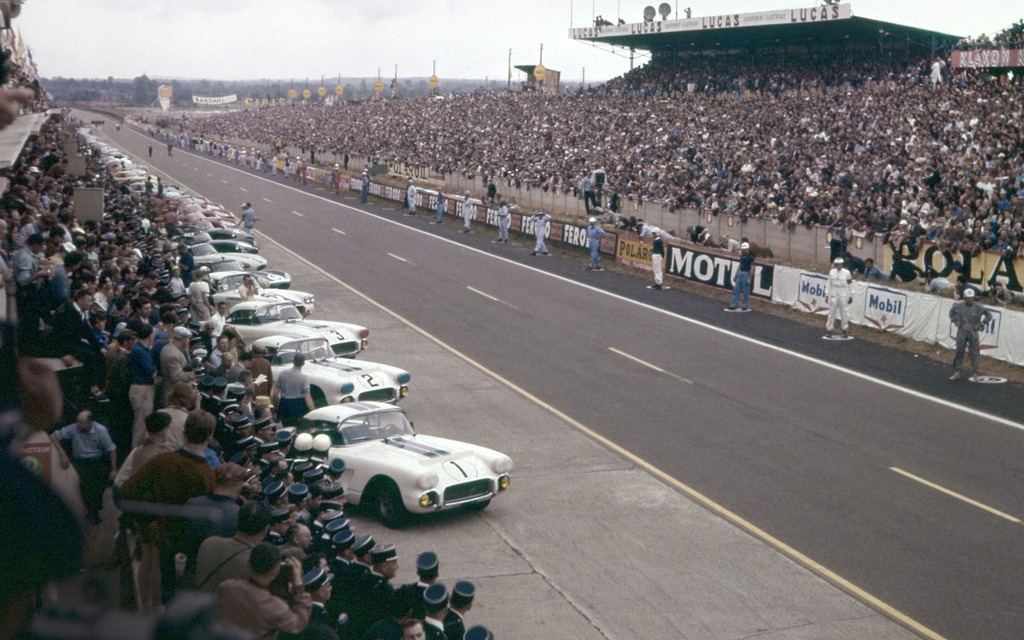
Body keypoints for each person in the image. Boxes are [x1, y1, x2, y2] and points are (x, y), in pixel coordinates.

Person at [216, 543, 312, 640]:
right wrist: (298, 585)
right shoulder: (275, 606)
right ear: (276, 570)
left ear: (248, 565)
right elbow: (297, 624)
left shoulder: (226, 587)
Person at [51, 410, 117, 524]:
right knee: (85, 487)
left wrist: (113, 468)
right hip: (80, 462)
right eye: (77, 421)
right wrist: (62, 454)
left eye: (81, 422)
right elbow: (53, 437)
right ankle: (89, 511)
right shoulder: (73, 428)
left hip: (96, 461)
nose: (78, 424)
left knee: (97, 488)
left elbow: (111, 450)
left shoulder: (101, 431)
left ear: (89, 422)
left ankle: (94, 510)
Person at [195, 501, 271, 592]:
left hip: (197, 604)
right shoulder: (256, 565)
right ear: (266, 530)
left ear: (236, 522)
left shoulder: (208, 543)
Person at [948, 289, 992, 381]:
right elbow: (951, 313)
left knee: (974, 352)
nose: (969, 300)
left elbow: (989, 315)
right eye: (967, 298)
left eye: (971, 298)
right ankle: (956, 372)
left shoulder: (979, 307)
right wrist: (955, 321)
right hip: (962, 331)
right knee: (959, 351)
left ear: (974, 298)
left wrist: (981, 324)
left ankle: (975, 373)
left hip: (973, 332)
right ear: (964, 298)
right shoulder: (959, 306)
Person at [272, 353, 314, 426]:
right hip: (297, 405)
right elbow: (307, 396)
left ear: (293, 361)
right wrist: (313, 411)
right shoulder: (304, 378)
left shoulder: (283, 373)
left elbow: (275, 392)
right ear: (303, 363)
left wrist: (276, 407)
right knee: (296, 426)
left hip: (284, 403)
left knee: (286, 426)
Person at [825, 257, 853, 336]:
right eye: (837, 264)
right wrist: (826, 294)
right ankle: (829, 330)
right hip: (834, 293)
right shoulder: (832, 272)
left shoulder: (847, 273)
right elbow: (828, 284)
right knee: (831, 313)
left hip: (843, 293)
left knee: (844, 313)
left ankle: (844, 329)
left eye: (840, 264)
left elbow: (850, 284)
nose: (838, 266)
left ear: (842, 264)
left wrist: (851, 295)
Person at [727, 242, 754, 310]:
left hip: (746, 273)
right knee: (736, 290)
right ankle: (733, 305)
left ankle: (745, 305)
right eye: (743, 249)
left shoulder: (751, 258)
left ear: (748, 249)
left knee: (746, 292)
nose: (743, 251)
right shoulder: (742, 257)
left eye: (745, 249)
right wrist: (736, 275)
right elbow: (740, 266)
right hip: (741, 273)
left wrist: (749, 278)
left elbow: (752, 268)